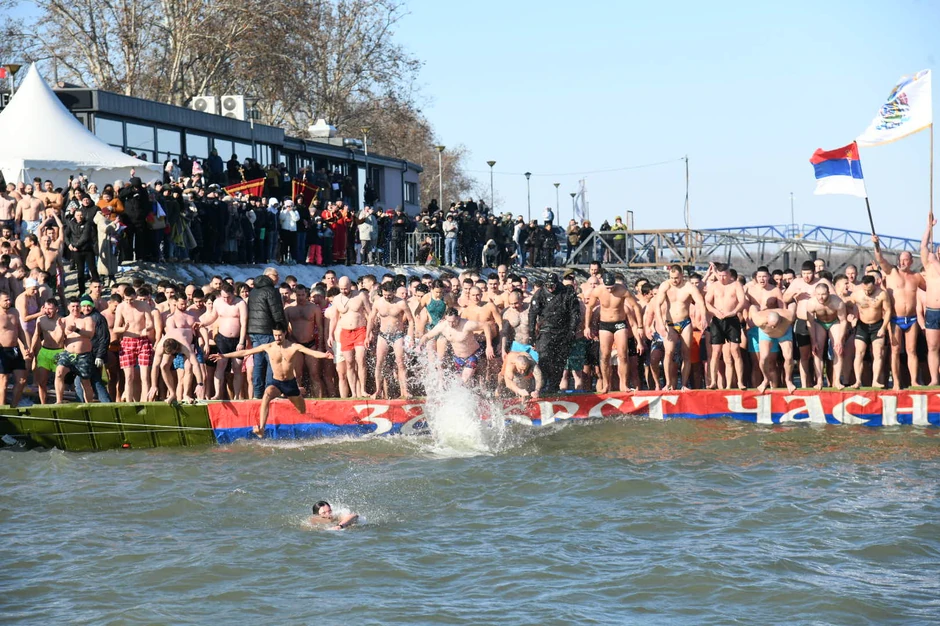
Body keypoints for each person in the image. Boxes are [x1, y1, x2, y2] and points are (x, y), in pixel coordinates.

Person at [210, 322, 330, 437]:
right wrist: (223, 355)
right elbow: (246, 351)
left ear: (285, 333)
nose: (277, 338)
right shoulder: (269, 347)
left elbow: (312, 353)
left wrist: (325, 355)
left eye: (279, 335)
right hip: (276, 383)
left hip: (290, 383)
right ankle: (262, 428)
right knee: (267, 394)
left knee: (302, 410)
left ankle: (298, 391)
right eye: (275, 335)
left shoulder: (293, 347)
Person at [874, 234, 925, 389]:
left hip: (911, 319)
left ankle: (914, 381)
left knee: (911, 350)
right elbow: (880, 259)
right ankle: (896, 382)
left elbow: (931, 288)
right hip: (895, 318)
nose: (902, 262)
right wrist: (876, 245)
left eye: (905, 259)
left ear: (911, 261)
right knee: (895, 350)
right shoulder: (891, 273)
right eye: (900, 259)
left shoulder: (916, 277)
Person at [584, 272, 643, 393]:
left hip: (620, 324)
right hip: (605, 325)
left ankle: (623, 384)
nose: (610, 290)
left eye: (612, 287)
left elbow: (636, 307)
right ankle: (606, 384)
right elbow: (589, 308)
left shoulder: (622, 290)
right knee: (605, 356)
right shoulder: (598, 291)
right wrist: (587, 326)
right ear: (603, 284)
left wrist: (640, 326)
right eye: (607, 287)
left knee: (622, 355)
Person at [653, 265, 706, 390]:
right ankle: (668, 384)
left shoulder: (689, 287)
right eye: (671, 278)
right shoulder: (665, 285)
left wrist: (703, 317)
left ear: (682, 275)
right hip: (670, 323)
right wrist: (660, 323)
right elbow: (657, 305)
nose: (674, 280)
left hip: (685, 323)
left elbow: (700, 302)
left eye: (676, 278)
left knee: (686, 354)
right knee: (669, 353)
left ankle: (683, 384)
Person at [528, 273, 580, 394]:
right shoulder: (540, 293)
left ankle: (554, 387)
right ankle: (541, 386)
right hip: (546, 330)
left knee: (559, 361)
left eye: (553, 285)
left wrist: (572, 331)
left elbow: (575, 313)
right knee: (544, 357)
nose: (550, 288)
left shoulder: (567, 292)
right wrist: (531, 334)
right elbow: (532, 314)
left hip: (563, 331)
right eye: (548, 285)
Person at [365, 281, 415, 399]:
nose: (387, 297)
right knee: (379, 363)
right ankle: (378, 390)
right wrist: (367, 335)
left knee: (401, 364)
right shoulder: (378, 302)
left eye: (389, 295)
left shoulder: (401, 303)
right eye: (385, 294)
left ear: (394, 292)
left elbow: (411, 320)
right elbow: (371, 319)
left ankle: (404, 391)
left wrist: (410, 337)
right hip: (383, 335)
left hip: (398, 335)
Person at [420, 308, 494, 382]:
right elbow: (427, 336)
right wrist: (420, 345)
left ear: (458, 317)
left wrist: (489, 346)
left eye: (454, 321)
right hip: (458, 358)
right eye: (449, 321)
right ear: (445, 318)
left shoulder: (467, 324)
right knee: (457, 382)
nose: (451, 324)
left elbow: (485, 326)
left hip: (472, 355)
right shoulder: (443, 326)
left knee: (464, 379)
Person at [704, 263, 748, 390]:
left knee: (735, 350)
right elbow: (707, 301)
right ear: (717, 275)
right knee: (716, 352)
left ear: (729, 275)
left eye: (724, 275)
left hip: (732, 319)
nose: (722, 278)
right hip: (717, 320)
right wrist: (714, 311)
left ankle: (740, 381)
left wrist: (734, 312)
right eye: (720, 275)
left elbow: (742, 301)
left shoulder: (736, 285)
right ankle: (713, 381)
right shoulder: (714, 286)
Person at [246, 267, 286, 399]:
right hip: (268, 331)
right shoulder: (271, 291)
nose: (278, 278)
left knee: (258, 362)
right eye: (276, 275)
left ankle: (257, 393)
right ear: (268, 276)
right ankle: (270, 391)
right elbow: (277, 312)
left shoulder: (253, 291)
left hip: (254, 330)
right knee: (272, 361)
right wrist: (282, 328)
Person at [329, 276, 370, 397]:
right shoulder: (336, 299)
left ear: (350, 286)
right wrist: (330, 335)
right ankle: (353, 393)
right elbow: (334, 318)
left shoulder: (360, 296)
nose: (343, 291)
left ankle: (363, 389)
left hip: (360, 330)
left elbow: (370, 313)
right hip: (345, 332)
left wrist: (370, 332)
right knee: (349, 363)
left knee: (360, 359)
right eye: (341, 289)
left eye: (346, 289)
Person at [849, 275, 891, 389]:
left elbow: (888, 311)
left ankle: (875, 381)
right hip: (862, 326)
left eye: (870, 290)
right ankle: (857, 381)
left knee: (878, 354)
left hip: (877, 325)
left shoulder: (882, 294)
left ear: (875, 285)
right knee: (859, 353)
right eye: (865, 289)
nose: (867, 292)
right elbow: (847, 304)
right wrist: (851, 316)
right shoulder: (857, 294)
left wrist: (883, 327)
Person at [53, 297, 96, 404]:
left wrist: (76, 330)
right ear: (68, 307)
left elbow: (90, 334)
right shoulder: (63, 320)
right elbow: (58, 342)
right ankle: (59, 401)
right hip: (68, 353)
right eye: (73, 306)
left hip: (83, 354)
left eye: (77, 306)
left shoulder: (87, 319)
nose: (75, 308)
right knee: (59, 373)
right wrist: (61, 329)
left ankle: (89, 403)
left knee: (85, 381)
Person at [806, 283, 848, 389]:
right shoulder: (812, 303)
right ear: (815, 294)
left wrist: (839, 340)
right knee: (817, 351)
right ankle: (819, 380)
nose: (821, 297)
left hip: (834, 322)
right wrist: (813, 340)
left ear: (829, 293)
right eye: (818, 294)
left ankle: (837, 380)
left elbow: (843, 321)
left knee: (838, 350)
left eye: (824, 294)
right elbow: (810, 323)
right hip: (819, 323)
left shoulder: (837, 302)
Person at [748, 304, 796, 392]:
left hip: (784, 332)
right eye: (771, 325)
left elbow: (793, 304)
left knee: (788, 357)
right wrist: (758, 307)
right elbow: (752, 307)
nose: (773, 328)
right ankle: (766, 379)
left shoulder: (789, 316)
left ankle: (788, 380)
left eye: (775, 325)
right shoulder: (759, 319)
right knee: (763, 358)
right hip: (766, 333)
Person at [0, 290, 30, 406]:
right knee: (4, 382)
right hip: (2, 351)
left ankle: (13, 406)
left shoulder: (15, 312)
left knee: (22, 380)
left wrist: (25, 344)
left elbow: (19, 330)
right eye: (5, 300)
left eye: (9, 299)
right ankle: (2, 408)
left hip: (15, 349)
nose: (9, 302)